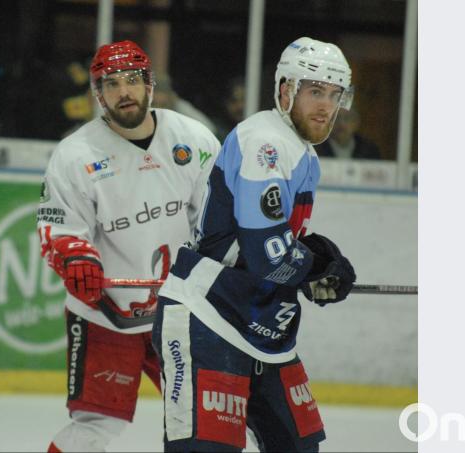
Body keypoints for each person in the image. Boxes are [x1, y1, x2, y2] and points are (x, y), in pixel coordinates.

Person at [152, 37, 357, 452]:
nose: (325, 106)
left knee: (299, 446)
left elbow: (276, 242)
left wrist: (319, 258)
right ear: (285, 91)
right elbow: (269, 254)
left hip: (263, 324)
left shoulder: (302, 152)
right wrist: (316, 267)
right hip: (207, 315)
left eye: (334, 95)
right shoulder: (265, 141)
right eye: (315, 92)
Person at [37, 40, 221, 452]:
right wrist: (76, 259)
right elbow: (59, 228)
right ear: (97, 94)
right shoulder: (74, 155)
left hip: (181, 312)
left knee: (215, 422)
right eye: (112, 83)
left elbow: (218, 220)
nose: (124, 92)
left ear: (150, 85)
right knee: (94, 426)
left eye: (133, 81)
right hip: (106, 315)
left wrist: (234, 268)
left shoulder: (194, 139)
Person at [152, 71, 218, 134]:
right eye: (154, 104)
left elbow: (208, 128)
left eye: (163, 105)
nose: (159, 109)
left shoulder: (178, 109)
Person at [314, 108, 381, 159]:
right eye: (337, 118)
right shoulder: (316, 149)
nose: (341, 124)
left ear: (356, 123)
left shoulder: (369, 149)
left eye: (347, 118)